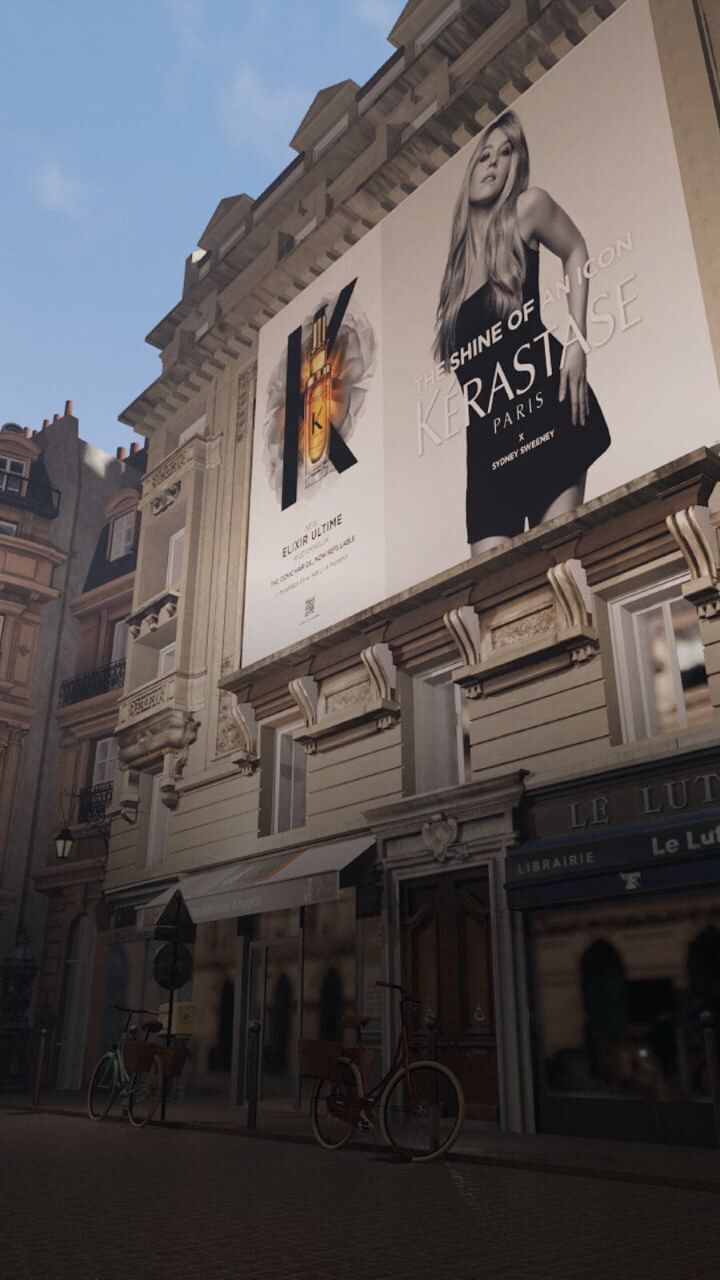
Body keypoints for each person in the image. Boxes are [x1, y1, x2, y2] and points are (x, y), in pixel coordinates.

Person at [435, 109, 611, 553]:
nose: (492, 163)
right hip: (489, 443)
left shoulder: (527, 210)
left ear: (517, 164)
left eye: (505, 152)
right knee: (496, 593)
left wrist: (577, 342)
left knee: (557, 573)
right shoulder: (455, 273)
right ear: (471, 170)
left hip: (547, 410)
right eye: (484, 155)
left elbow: (575, 251)